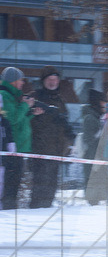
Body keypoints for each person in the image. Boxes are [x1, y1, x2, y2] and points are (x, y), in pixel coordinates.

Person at [28, 66, 75, 208]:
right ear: (43, 81)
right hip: (39, 150)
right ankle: (35, 213)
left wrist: (70, 140)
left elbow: (65, 123)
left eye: (55, 79)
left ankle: (46, 211)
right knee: (39, 187)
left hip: (56, 151)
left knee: (51, 187)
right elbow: (24, 120)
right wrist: (32, 114)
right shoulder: (34, 96)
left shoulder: (60, 100)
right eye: (49, 79)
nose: (52, 82)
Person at [0, 67, 34, 209]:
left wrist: (31, 113)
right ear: (13, 81)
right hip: (11, 149)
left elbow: (18, 119)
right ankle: (7, 213)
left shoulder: (12, 95)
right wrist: (26, 105)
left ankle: (10, 210)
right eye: (20, 80)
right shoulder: (4, 95)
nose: (22, 83)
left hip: (17, 148)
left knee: (14, 185)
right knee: (10, 186)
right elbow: (12, 119)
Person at [79, 88, 106, 203]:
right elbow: (88, 139)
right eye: (103, 101)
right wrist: (101, 136)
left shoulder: (96, 117)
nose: (105, 104)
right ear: (98, 102)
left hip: (95, 155)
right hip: (92, 156)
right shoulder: (91, 118)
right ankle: (92, 204)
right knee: (92, 183)